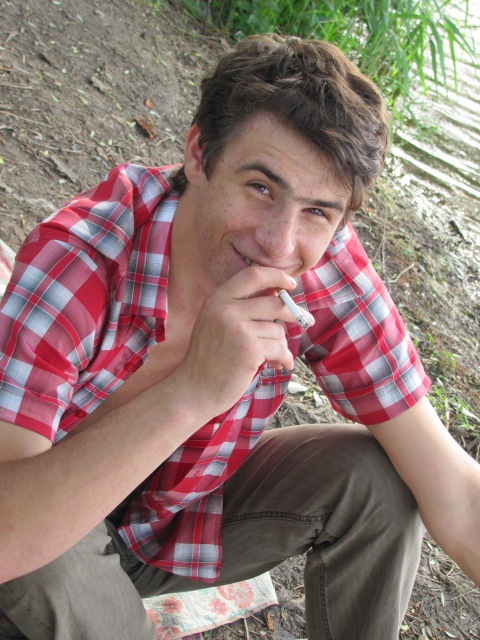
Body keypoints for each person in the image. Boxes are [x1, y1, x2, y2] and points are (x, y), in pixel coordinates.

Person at [0, 34, 478, 640]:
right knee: (47, 559)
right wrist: (193, 391)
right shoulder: (81, 264)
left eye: (317, 211)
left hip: (164, 526)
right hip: (41, 537)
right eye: (260, 188)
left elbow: (457, 495)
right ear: (199, 154)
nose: (279, 243)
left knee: (376, 481)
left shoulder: (318, 265)